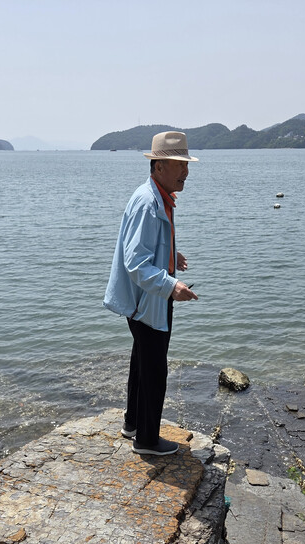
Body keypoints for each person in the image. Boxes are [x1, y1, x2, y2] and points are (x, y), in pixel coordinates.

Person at [103, 131, 199, 456]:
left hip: (144, 301)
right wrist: (172, 286)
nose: (185, 172)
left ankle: (133, 422)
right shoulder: (148, 202)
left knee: (142, 361)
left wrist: (172, 256)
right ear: (158, 166)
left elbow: (147, 248)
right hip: (149, 301)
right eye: (179, 165)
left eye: (186, 164)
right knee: (155, 368)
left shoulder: (157, 196)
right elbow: (135, 262)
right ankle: (146, 440)